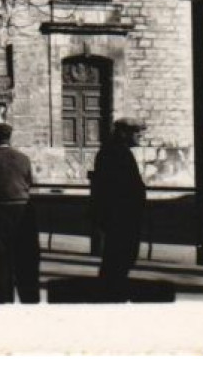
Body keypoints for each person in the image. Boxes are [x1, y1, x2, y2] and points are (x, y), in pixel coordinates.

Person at [0, 121, 40, 304]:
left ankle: (4, 301)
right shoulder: (24, 158)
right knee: (26, 259)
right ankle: (29, 300)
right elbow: (29, 182)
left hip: (0, 211)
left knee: (2, 260)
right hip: (24, 211)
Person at [90, 118, 148, 298]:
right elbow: (120, 187)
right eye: (137, 133)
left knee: (117, 258)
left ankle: (111, 291)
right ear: (124, 133)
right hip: (122, 216)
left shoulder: (114, 151)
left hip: (119, 216)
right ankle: (111, 294)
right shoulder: (117, 153)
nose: (140, 137)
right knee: (120, 258)